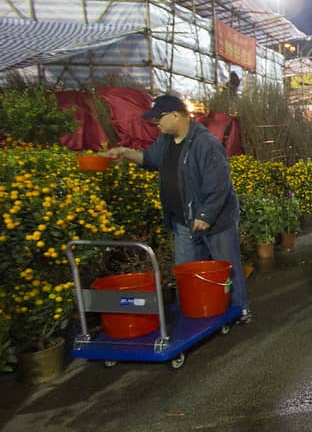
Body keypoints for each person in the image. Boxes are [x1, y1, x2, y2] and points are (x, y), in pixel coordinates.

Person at [104, 94, 251, 322]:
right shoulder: (166, 141)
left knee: (225, 269)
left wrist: (205, 214)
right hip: (184, 220)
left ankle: (240, 309)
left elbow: (219, 185)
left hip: (215, 222)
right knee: (188, 271)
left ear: (176, 115)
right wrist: (125, 153)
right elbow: (149, 160)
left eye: (159, 118)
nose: (156, 123)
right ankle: (202, 311)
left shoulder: (205, 143)